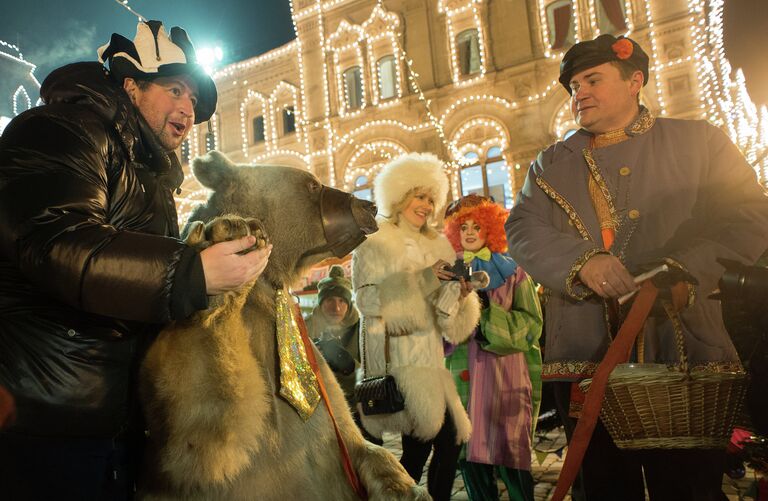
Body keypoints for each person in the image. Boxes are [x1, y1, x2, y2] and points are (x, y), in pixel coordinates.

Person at [0, 21, 271, 500]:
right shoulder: (58, 130)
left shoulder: (149, 173)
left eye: (194, 101)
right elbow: (59, 243)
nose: (188, 109)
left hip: (117, 416)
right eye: (174, 90)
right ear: (130, 85)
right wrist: (193, 271)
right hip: (46, 415)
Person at [505, 33, 768, 501]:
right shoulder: (549, 163)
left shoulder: (699, 141)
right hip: (587, 354)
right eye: (572, 86)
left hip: (682, 346)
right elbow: (522, 229)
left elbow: (750, 214)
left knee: (688, 488)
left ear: (635, 82)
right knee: (603, 488)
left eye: (591, 79)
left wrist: (685, 266)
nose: (577, 93)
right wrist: (581, 262)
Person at [352, 152, 481, 501]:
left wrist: (460, 295)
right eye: (419, 196)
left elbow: (451, 327)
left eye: (430, 198)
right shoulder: (375, 242)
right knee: (434, 442)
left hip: (431, 360)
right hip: (399, 363)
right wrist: (424, 279)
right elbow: (367, 303)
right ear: (399, 196)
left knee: (439, 443)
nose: (425, 205)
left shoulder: (438, 244)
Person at [443, 194, 543, 501]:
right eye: (464, 226)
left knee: (513, 458)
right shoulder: (447, 273)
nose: (470, 232)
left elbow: (532, 325)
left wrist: (487, 313)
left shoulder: (513, 271)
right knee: (471, 462)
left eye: (477, 225)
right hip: (461, 383)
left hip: (505, 382)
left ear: (491, 228)